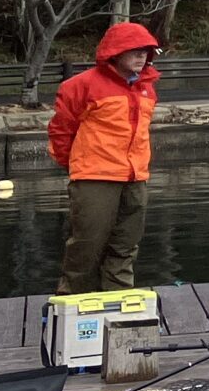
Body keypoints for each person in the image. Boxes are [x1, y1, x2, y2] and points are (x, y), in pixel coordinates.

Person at [46, 20, 162, 293]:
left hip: (135, 177)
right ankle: (74, 300)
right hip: (95, 176)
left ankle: (119, 299)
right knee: (87, 244)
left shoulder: (146, 87)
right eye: (135, 51)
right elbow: (61, 131)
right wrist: (78, 166)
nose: (142, 56)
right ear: (116, 52)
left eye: (146, 51)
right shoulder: (81, 85)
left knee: (126, 244)